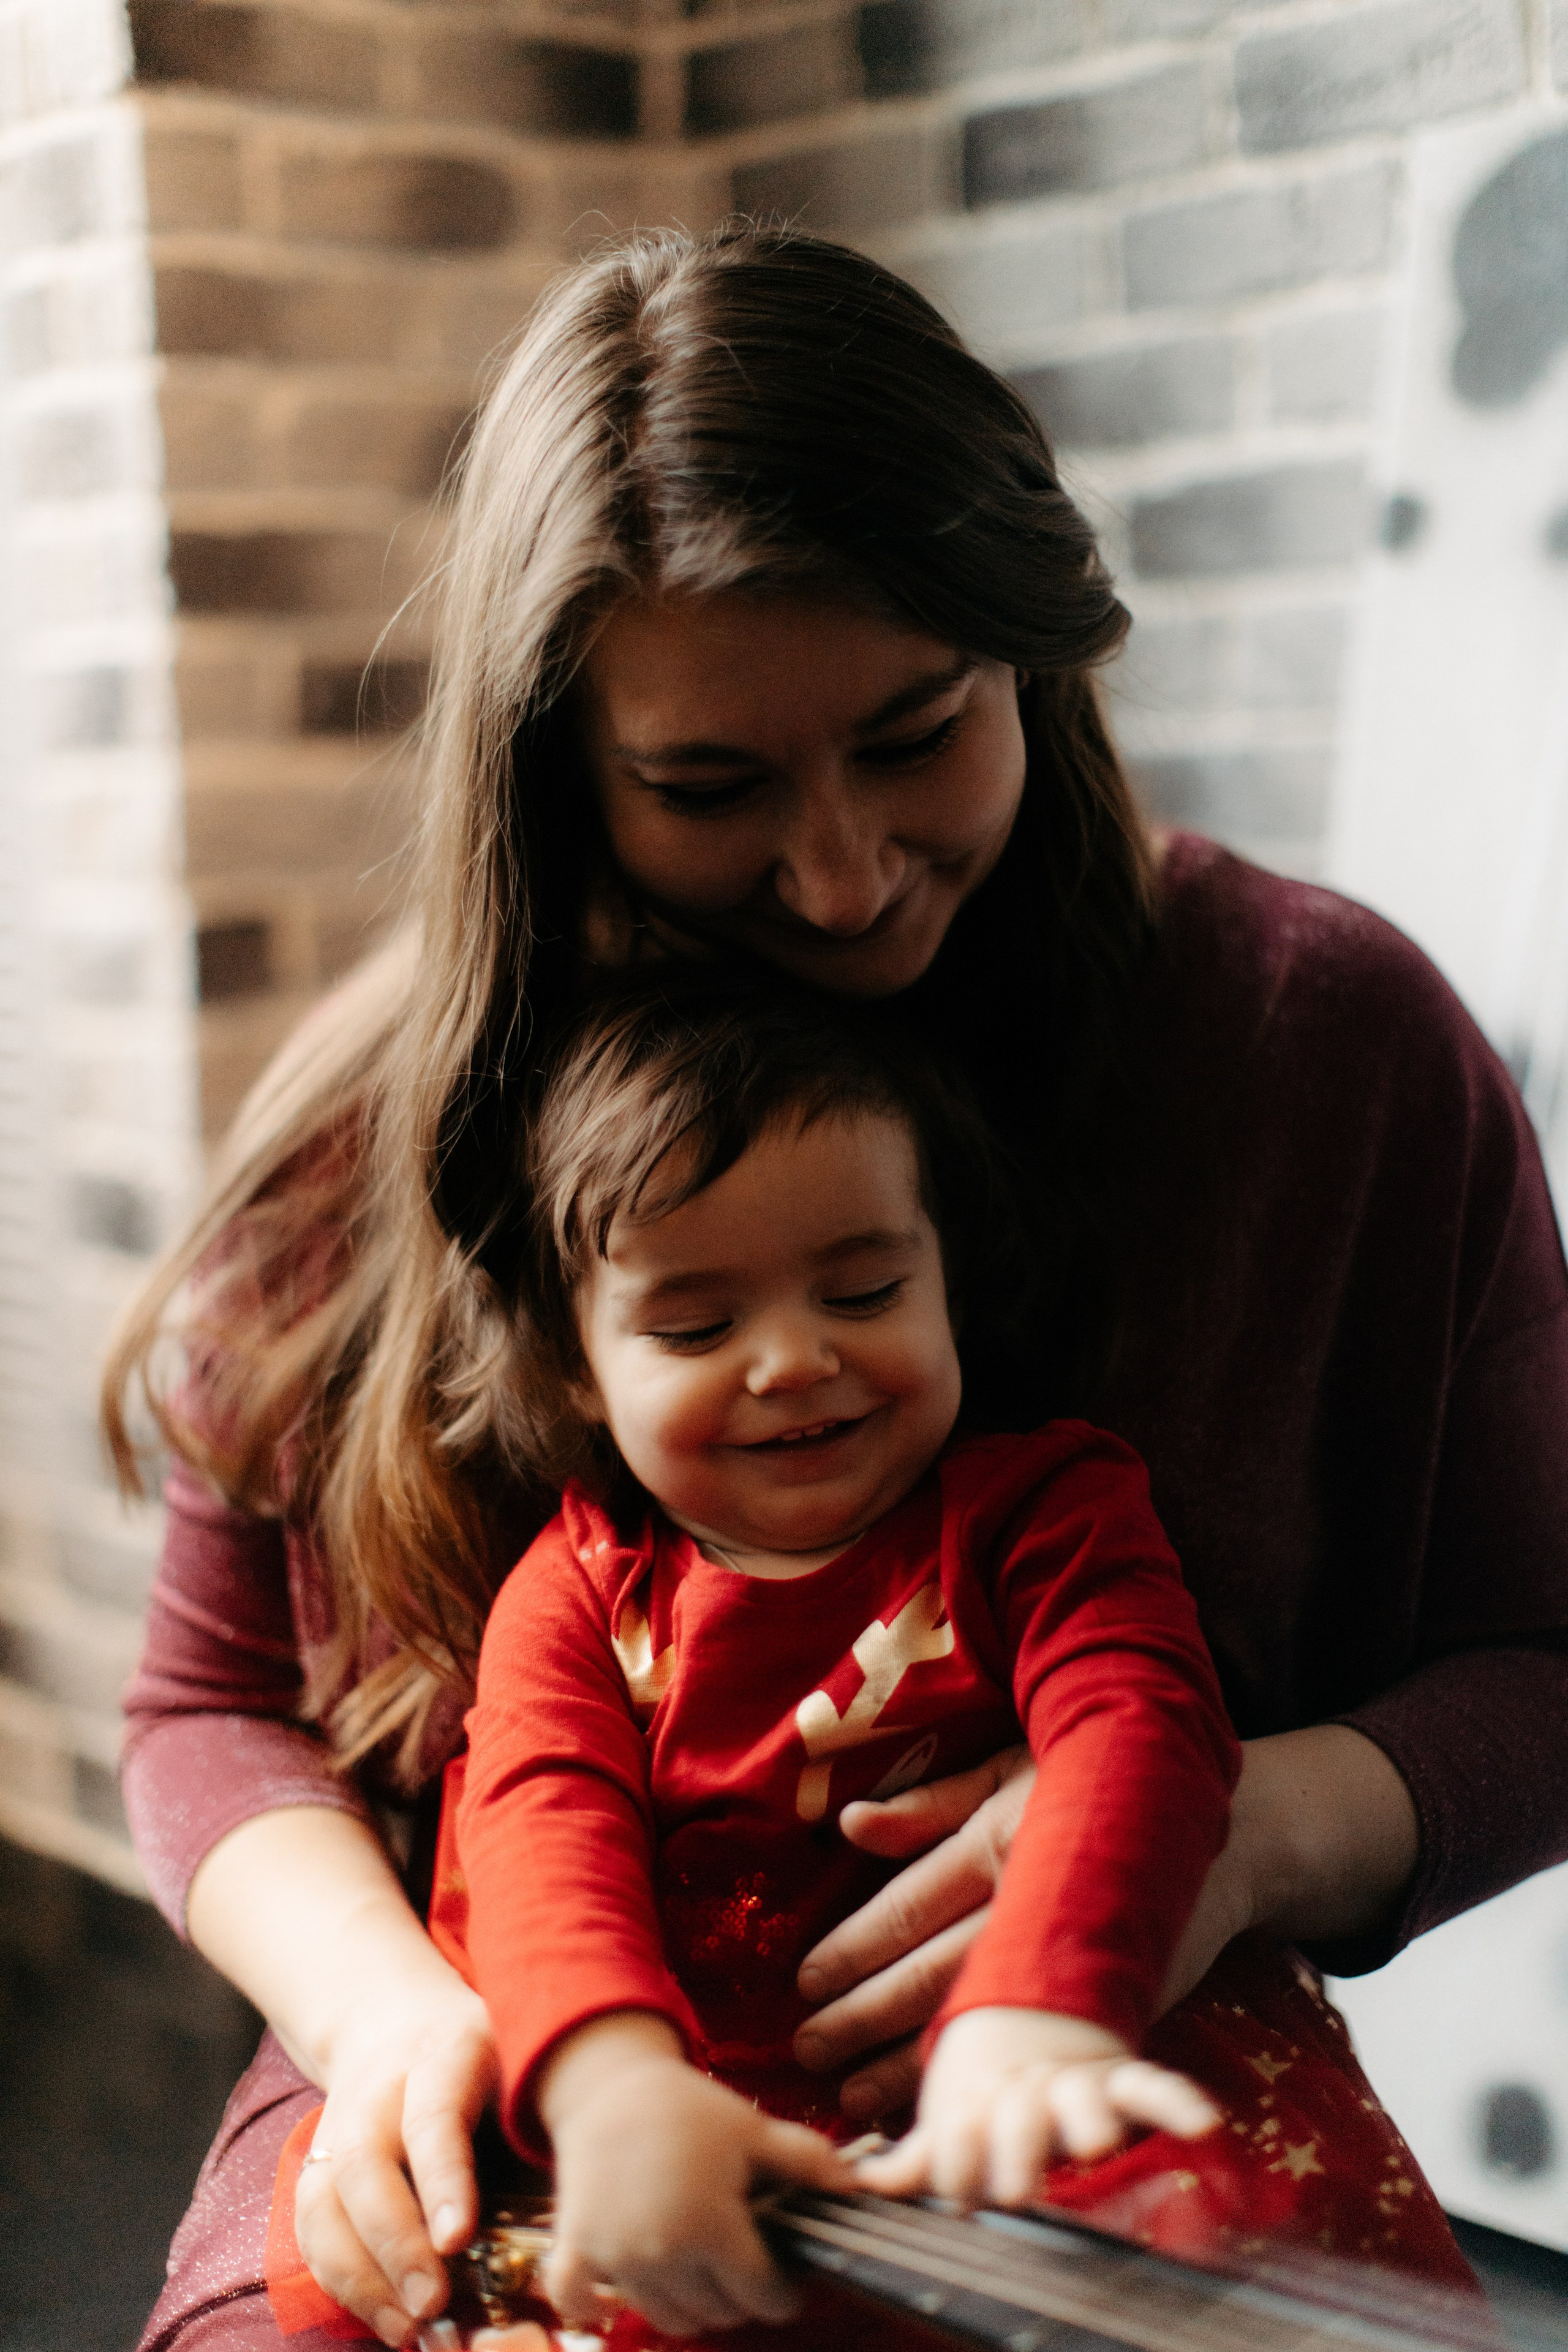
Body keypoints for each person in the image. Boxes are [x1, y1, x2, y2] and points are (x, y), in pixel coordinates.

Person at [109, 224, 1568, 2352]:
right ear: (558, 781)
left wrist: (1233, 1837)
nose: (842, 873)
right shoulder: (383, 1127)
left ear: (1035, 661)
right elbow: (206, 1706)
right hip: (485, 2011)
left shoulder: (1323, 1049)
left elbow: (1543, 1652)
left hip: (1105, 2024)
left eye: (917, 736)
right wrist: (405, 2022)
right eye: (711, 788)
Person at [437, 977, 1237, 2340]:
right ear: (576, 1366)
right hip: (668, 2091)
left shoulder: (1039, 1514)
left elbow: (1137, 1722)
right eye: (694, 1327)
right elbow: (533, 1828)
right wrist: (612, 2085)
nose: (795, 1359)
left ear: (948, 1283)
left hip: (1020, 2038)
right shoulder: (576, 1589)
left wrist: (1040, 2008)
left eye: (863, 1289)